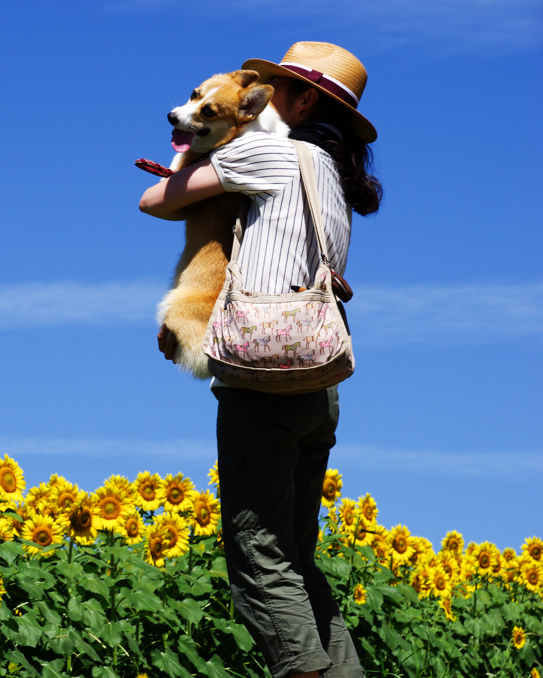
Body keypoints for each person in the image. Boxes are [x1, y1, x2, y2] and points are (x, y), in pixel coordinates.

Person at [139, 42, 382, 678]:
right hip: (319, 382)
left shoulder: (267, 150)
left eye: (278, 87)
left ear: (306, 102)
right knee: (298, 560)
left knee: (258, 559)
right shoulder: (330, 172)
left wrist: (183, 160)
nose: (262, 94)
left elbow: (155, 203)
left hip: (265, 377)